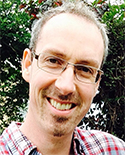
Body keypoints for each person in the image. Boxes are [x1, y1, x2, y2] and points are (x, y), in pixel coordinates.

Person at [0, 1, 125, 155]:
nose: (66, 86)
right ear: (27, 65)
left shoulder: (114, 150)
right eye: (53, 61)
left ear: (96, 83)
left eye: (85, 69)